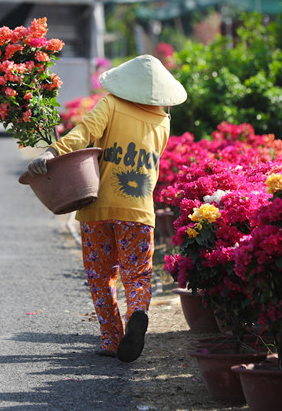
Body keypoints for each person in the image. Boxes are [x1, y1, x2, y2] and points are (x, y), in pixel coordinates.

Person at [27, 55, 187, 362]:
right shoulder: (163, 121)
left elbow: (82, 134)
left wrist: (51, 152)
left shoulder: (110, 105)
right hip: (139, 210)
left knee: (101, 274)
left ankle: (113, 338)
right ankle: (138, 311)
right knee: (137, 273)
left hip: (97, 206)